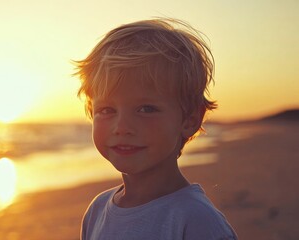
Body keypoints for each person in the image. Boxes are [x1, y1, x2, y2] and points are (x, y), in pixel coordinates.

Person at [73, 18, 238, 240]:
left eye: (146, 109)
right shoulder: (97, 210)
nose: (122, 127)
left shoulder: (196, 220)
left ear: (189, 120)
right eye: (107, 110)